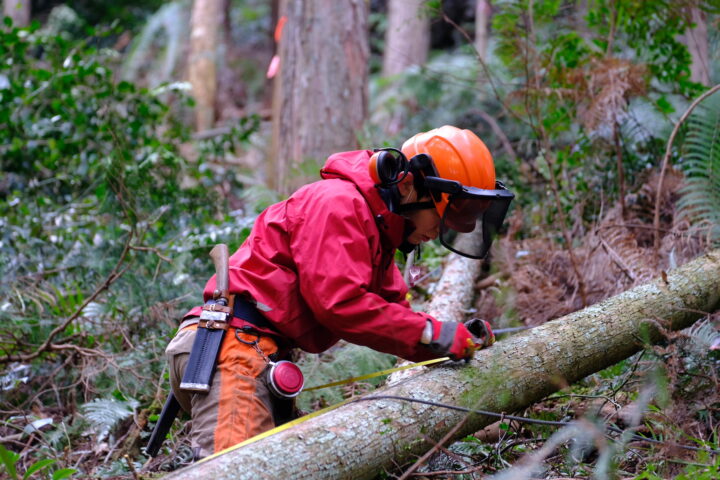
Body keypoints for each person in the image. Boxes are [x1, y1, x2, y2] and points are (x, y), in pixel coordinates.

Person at [165, 125, 514, 459]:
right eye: (443, 214)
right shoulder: (339, 205)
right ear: (409, 185)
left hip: (251, 354)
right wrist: (431, 333)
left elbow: (392, 311)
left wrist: (452, 340)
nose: (444, 228)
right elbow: (341, 304)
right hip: (232, 354)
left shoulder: (376, 233)